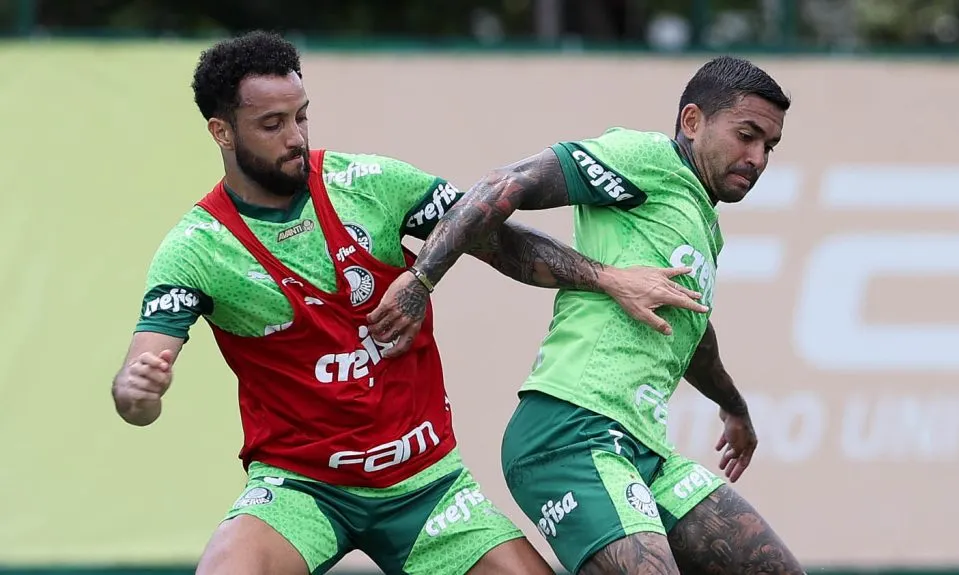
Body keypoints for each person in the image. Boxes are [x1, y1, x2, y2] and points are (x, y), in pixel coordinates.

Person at [110, 31, 710, 575]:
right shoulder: (196, 248)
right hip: (302, 488)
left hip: (428, 485)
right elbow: (138, 382)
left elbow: (496, 240)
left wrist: (604, 277)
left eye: (302, 116)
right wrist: (138, 392)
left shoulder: (368, 182)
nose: (296, 138)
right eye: (272, 125)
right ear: (221, 132)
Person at [368, 56, 806, 574]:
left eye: (768, 147)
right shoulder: (645, 158)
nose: (756, 158)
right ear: (692, 122)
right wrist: (422, 279)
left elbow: (692, 332)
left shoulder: (702, 223)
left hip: (643, 446)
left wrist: (734, 408)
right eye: (747, 135)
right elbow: (502, 184)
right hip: (572, 432)